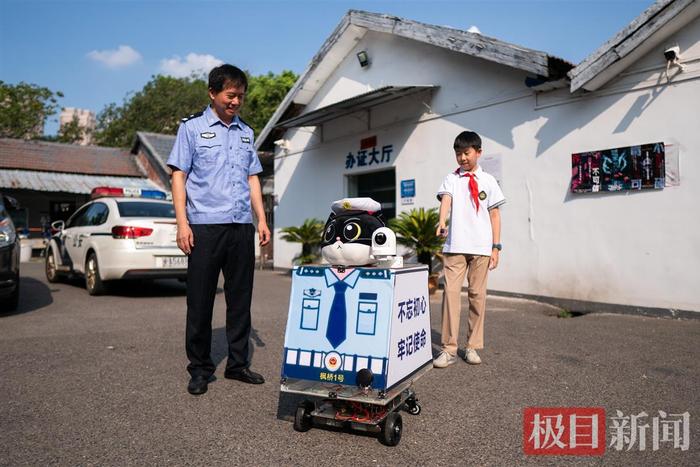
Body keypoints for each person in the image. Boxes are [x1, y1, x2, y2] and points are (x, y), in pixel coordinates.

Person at [167, 64, 271, 395]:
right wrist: (182, 223)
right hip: (205, 226)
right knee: (200, 301)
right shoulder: (192, 129)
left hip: (240, 226)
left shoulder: (246, 132)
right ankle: (199, 369)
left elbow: (252, 177)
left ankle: (238, 365)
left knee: (240, 299)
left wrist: (262, 219)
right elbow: (178, 175)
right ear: (213, 93)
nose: (236, 101)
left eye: (240, 96)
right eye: (230, 95)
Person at [433, 130, 505, 368]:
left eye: (466, 153)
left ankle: (472, 346)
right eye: (458, 154)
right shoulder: (451, 179)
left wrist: (496, 247)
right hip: (455, 246)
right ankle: (449, 349)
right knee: (451, 296)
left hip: (482, 248)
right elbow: (446, 201)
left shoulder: (489, 181)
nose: (462, 158)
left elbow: (495, 214)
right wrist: (442, 221)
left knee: (477, 297)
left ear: (478, 152)